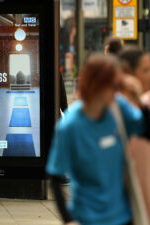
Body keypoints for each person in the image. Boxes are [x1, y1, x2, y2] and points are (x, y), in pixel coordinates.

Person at [47, 54, 144, 225]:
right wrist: (68, 220)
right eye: (113, 86)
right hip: (87, 217)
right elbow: (55, 175)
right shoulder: (70, 125)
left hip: (122, 217)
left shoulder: (117, 107)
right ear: (97, 85)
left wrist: (138, 99)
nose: (117, 92)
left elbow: (145, 129)